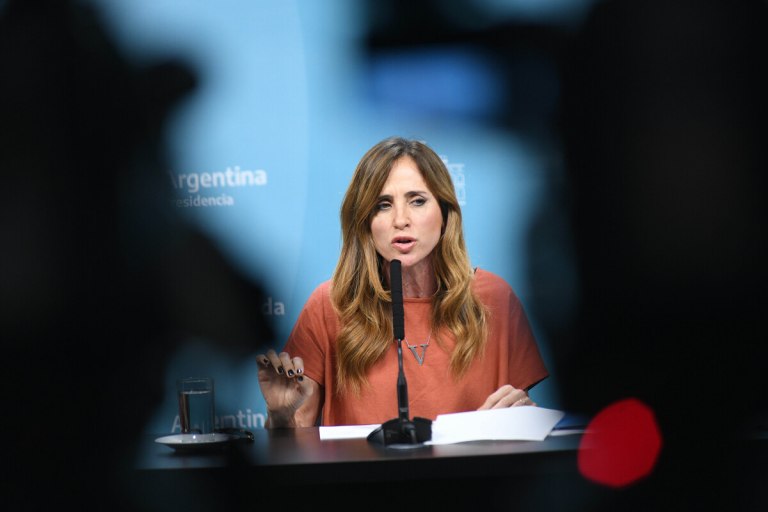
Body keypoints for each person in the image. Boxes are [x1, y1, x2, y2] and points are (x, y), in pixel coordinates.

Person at [257, 136, 548, 428]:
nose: (401, 219)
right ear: (365, 223)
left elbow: (522, 422)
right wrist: (281, 416)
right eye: (383, 205)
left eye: (417, 201)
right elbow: (296, 434)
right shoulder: (329, 306)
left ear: (445, 213)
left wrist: (522, 417)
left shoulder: (494, 298)